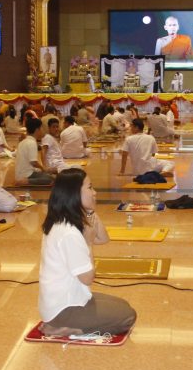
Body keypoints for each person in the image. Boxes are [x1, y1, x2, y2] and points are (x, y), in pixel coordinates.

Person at [38, 168, 136, 336]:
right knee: (128, 316)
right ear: (75, 194)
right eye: (90, 188)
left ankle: (63, 324)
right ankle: (65, 328)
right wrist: (88, 243)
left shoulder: (65, 220)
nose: (95, 192)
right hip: (63, 309)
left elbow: (103, 238)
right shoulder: (69, 233)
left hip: (65, 300)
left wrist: (90, 211)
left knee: (123, 305)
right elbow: (87, 278)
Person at [16, 117, 54, 186]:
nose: (42, 130)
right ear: (37, 130)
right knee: (51, 179)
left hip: (21, 174)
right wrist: (43, 168)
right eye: (41, 128)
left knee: (47, 175)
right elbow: (33, 162)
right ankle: (26, 181)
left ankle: (26, 180)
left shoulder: (23, 142)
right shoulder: (32, 143)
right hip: (27, 175)